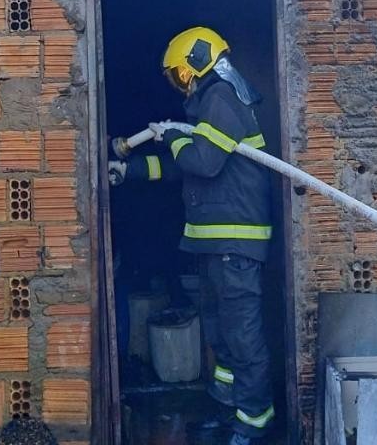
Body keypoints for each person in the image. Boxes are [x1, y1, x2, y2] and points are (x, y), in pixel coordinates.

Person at [111, 26, 275, 444]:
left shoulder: (221, 97)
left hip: (236, 244)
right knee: (220, 336)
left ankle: (255, 425)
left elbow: (201, 162)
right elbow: (181, 167)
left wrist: (171, 137)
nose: (179, 85)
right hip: (214, 245)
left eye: (178, 74)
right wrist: (129, 171)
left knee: (243, 337)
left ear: (195, 65)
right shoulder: (206, 107)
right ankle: (228, 411)